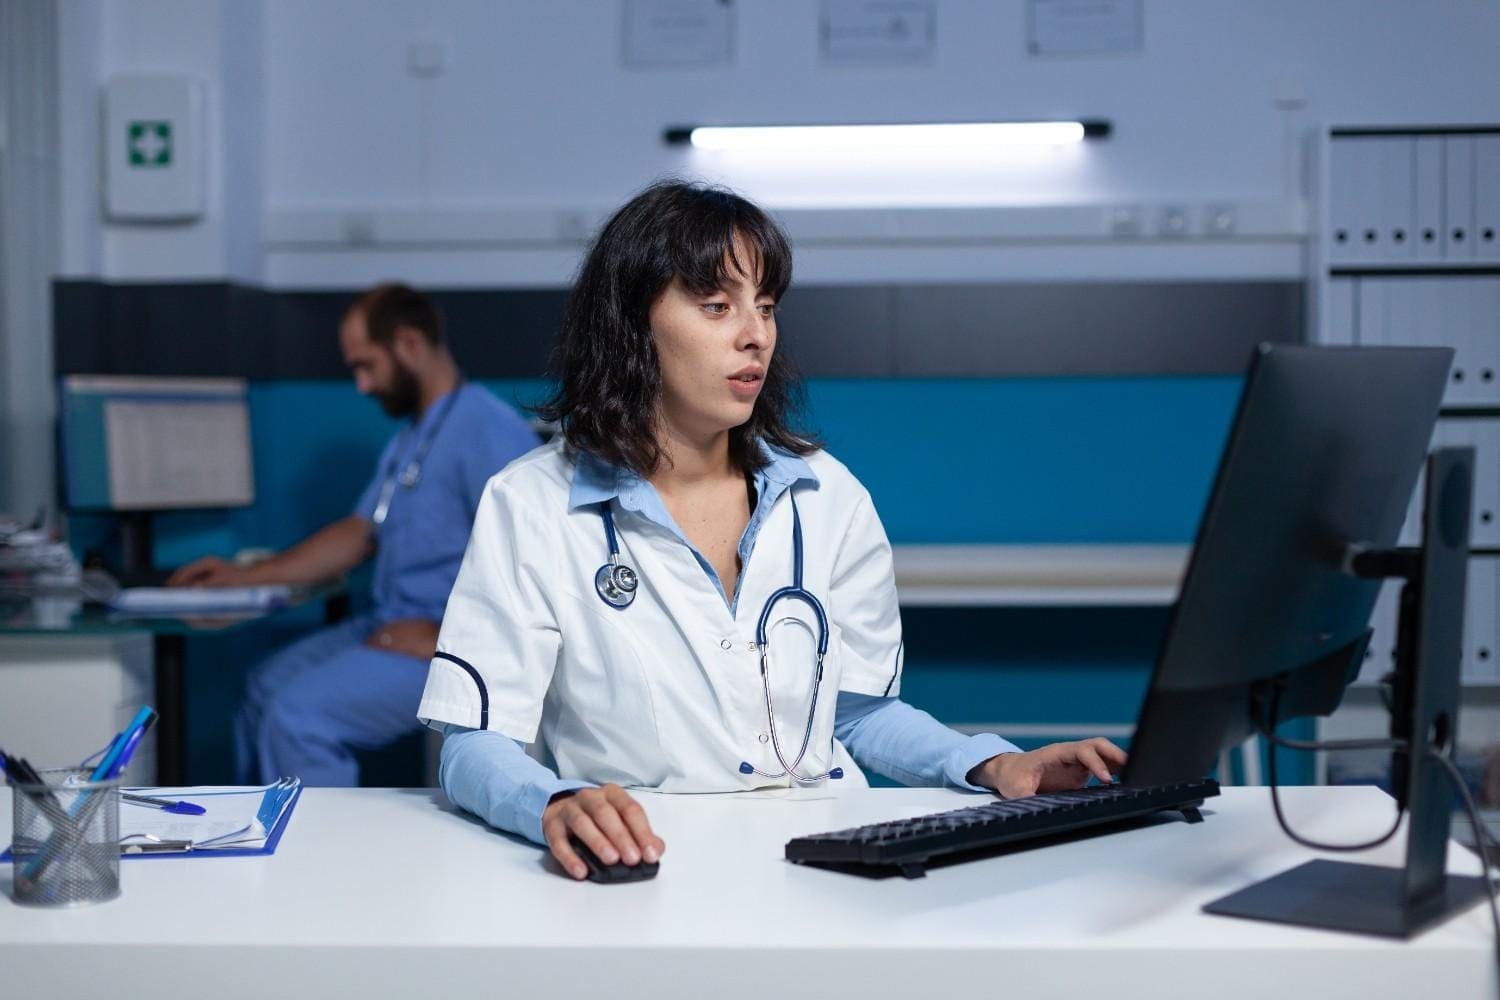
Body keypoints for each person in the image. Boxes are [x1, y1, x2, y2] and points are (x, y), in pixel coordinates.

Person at [417, 182, 1126, 879]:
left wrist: (992, 763)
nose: (754, 334)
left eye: (765, 306)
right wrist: (553, 803)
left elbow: (853, 715)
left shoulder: (829, 496)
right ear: (632, 324)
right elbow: (473, 739)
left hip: (823, 866)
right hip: (648, 866)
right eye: (716, 305)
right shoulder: (531, 504)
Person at [169, 283, 540, 786]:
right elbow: (359, 533)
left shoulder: (489, 431)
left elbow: (532, 559)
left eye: (366, 366)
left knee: (297, 719)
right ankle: (259, 838)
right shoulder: (413, 437)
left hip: (445, 643)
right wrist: (244, 575)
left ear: (409, 344)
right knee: (261, 688)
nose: (362, 385)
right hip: (390, 622)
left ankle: (311, 861)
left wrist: (441, 640)